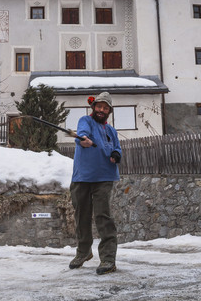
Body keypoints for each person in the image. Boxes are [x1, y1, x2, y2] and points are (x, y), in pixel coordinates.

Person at [68, 92, 122, 275]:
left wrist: (116, 154)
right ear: (94, 108)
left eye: (105, 108)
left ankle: (108, 259)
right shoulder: (85, 121)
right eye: (99, 106)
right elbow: (81, 135)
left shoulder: (111, 131)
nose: (101, 110)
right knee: (81, 216)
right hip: (82, 177)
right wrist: (83, 140)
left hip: (104, 177)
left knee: (103, 216)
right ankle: (83, 252)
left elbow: (117, 147)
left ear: (109, 112)